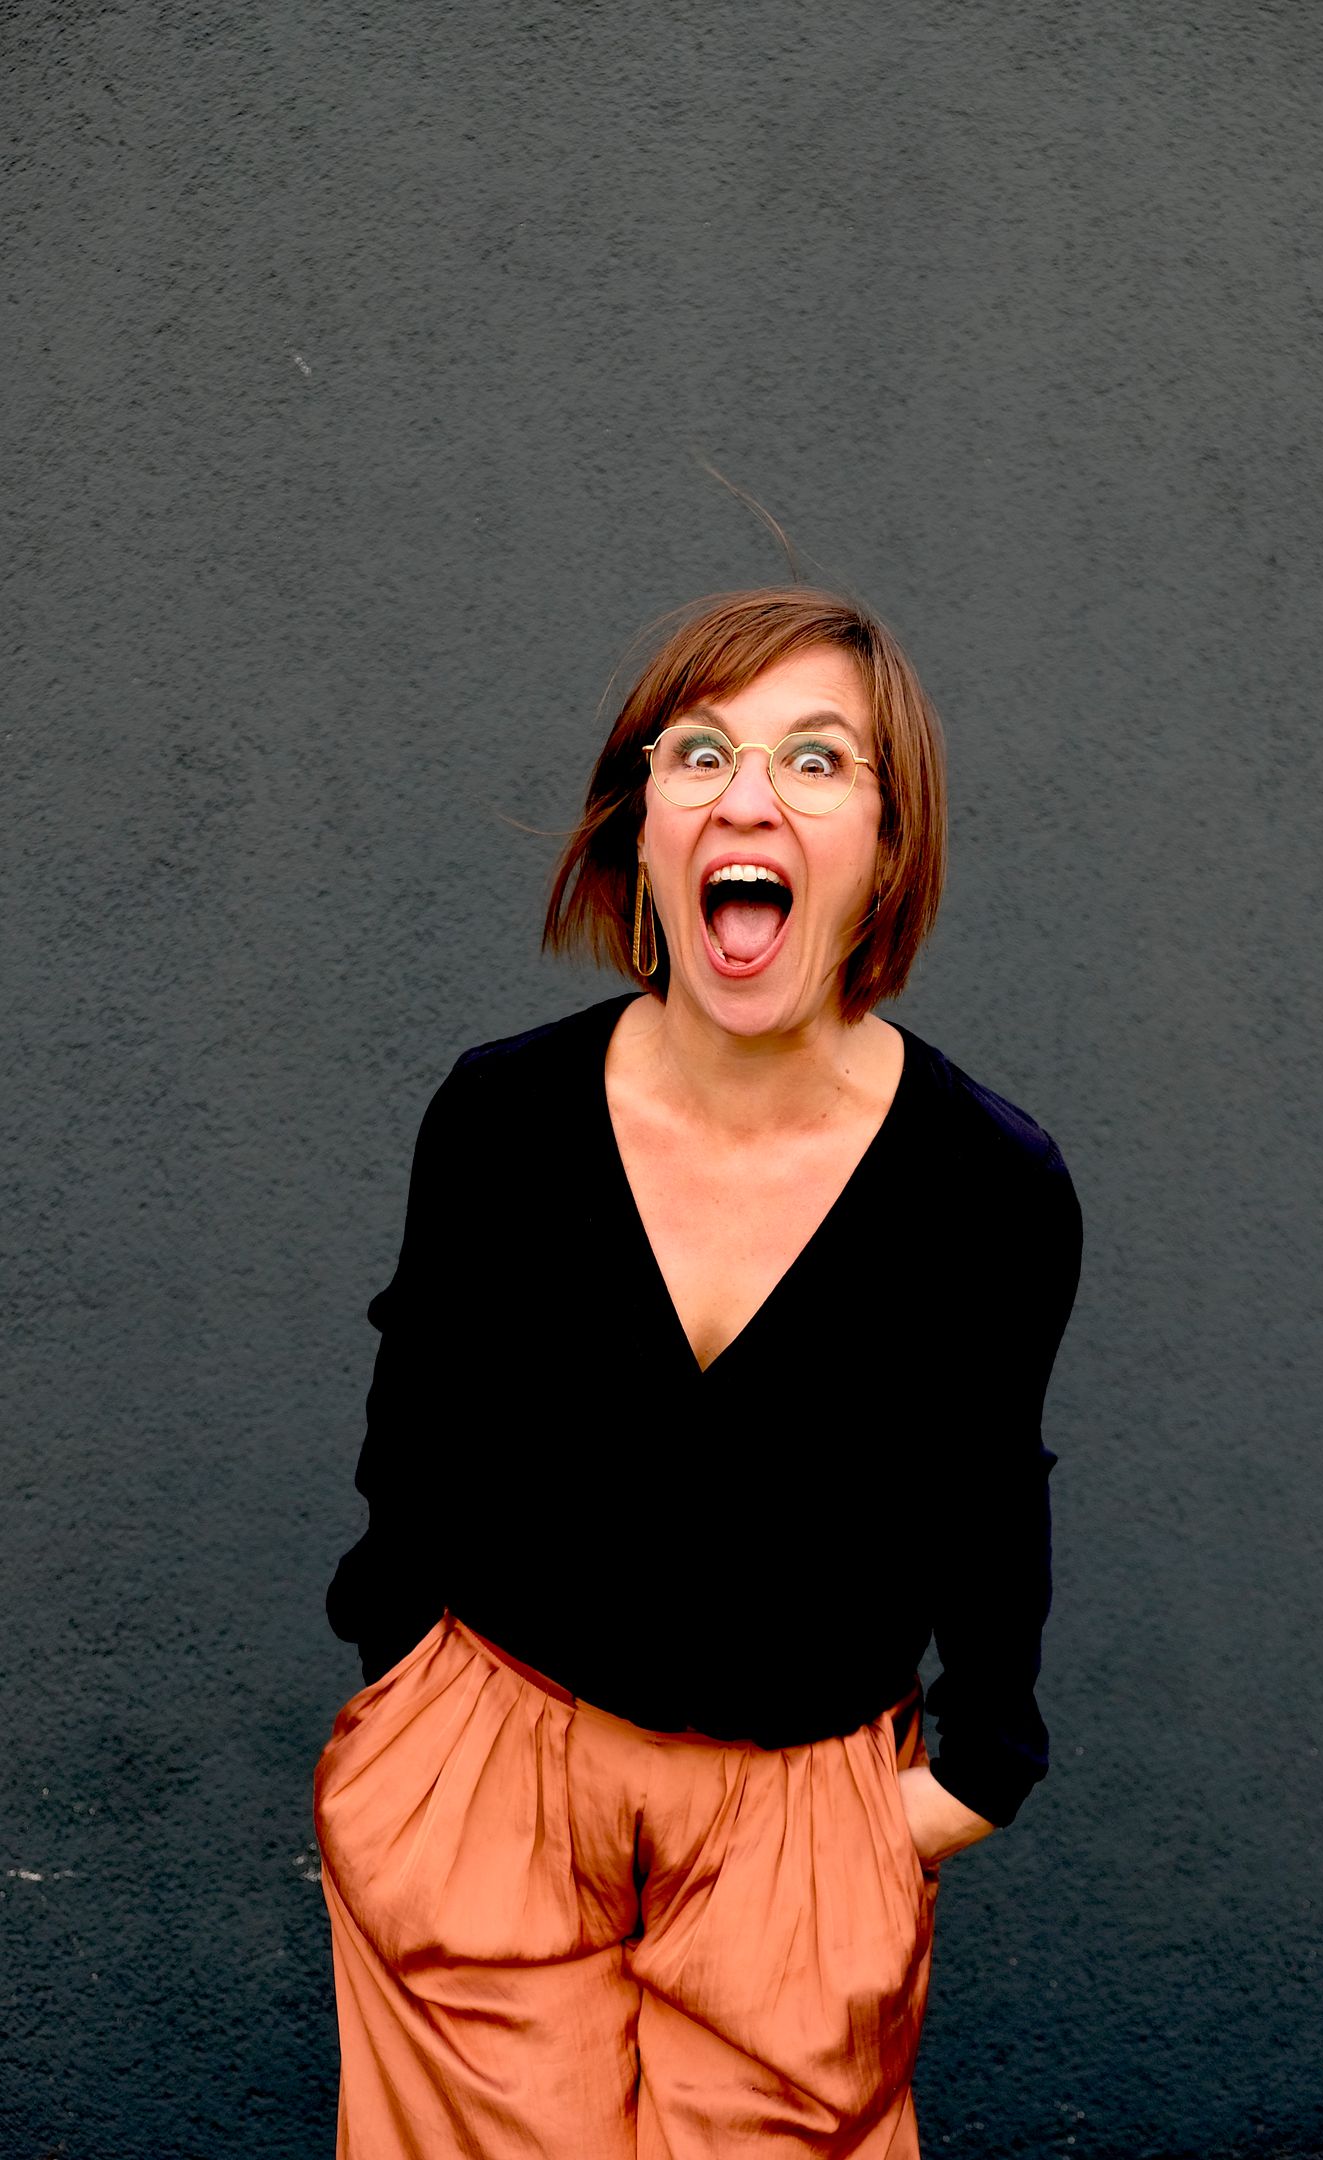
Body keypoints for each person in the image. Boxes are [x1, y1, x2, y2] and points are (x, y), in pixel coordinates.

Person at [314, 586, 1084, 2160]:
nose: (749, 797)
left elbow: (994, 1496)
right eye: (703, 752)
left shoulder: (990, 1185)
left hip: (804, 1822)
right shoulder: (501, 1119)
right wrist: (408, 1719)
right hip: (488, 1777)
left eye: (818, 760)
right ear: (643, 828)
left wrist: (970, 1778)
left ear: (887, 847)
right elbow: (415, 1439)